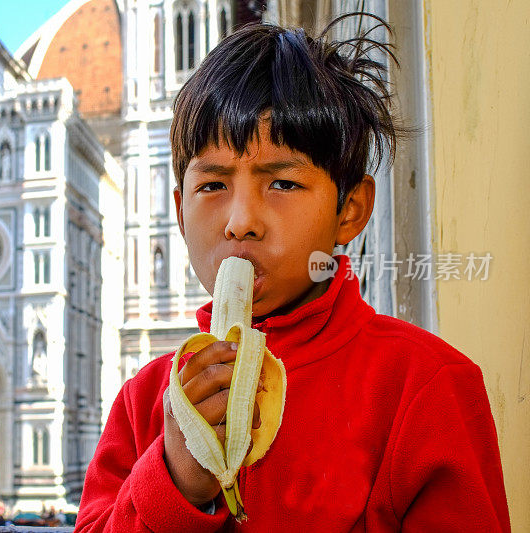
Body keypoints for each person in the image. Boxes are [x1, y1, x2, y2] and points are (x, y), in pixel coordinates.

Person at [74, 15, 510, 532]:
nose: (240, 222)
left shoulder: (425, 388)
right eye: (212, 186)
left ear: (349, 211)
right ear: (180, 212)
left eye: (281, 183)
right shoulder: (145, 403)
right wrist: (173, 479)